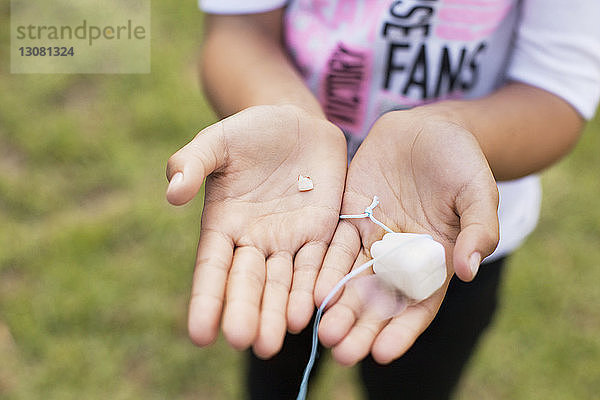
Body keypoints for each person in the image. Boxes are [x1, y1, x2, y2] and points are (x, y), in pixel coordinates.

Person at [165, 1, 600, 398]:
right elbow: (240, 29)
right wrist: (281, 109)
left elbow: (555, 91)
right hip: (281, 233)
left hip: (443, 228)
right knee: (274, 359)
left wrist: (452, 130)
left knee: (413, 383)